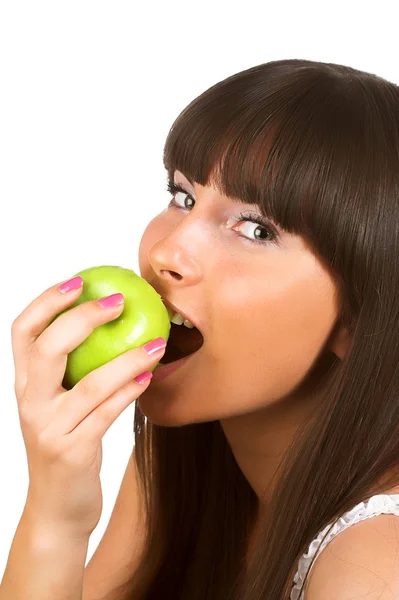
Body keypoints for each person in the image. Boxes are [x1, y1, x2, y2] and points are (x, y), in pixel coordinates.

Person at [2, 58, 399, 600]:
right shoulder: (183, 459)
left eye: (256, 229)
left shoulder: (375, 567)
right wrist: (56, 512)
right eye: (183, 196)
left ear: (358, 317)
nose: (167, 252)